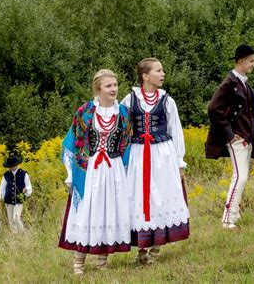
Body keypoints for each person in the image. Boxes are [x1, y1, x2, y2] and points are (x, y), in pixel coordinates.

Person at [58, 69, 133, 274]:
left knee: (108, 210)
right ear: (98, 88)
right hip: (90, 168)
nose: (114, 89)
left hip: (114, 168)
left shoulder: (123, 112)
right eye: (109, 86)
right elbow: (71, 145)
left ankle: (102, 262)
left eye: (116, 85)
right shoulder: (86, 111)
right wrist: (70, 174)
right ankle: (78, 263)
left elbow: (128, 145)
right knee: (86, 210)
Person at [121, 57, 190, 264]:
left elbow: (175, 131)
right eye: (158, 71)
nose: (163, 74)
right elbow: (120, 127)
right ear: (145, 76)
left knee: (162, 196)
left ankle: (156, 250)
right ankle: (141, 251)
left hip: (163, 155)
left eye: (162, 71)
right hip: (139, 154)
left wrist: (180, 161)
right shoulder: (130, 99)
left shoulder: (167, 100)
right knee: (141, 198)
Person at [205, 43, 254, 229]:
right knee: (240, 177)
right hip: (236, 139)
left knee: (242, 176)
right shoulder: (229, 82)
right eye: (251, 61)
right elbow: (213, 108)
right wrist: (229, 134)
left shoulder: (242, 81)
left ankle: (234, 215)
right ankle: (228, 218)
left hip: (246, 138)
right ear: (241, 61)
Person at [0, 155, 32, 234]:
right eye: (9, 166)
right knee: (11, 220)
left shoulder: (24, 174)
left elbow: (29, 185)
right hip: (8, 200)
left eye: (11, 166)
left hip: (19, 200)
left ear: (16, 165)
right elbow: (2, 187)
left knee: (16, 218)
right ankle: (15, 236)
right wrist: (1, 197)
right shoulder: (6, 174)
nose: (9, 168)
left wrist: (26, 189)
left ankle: (22, 234)